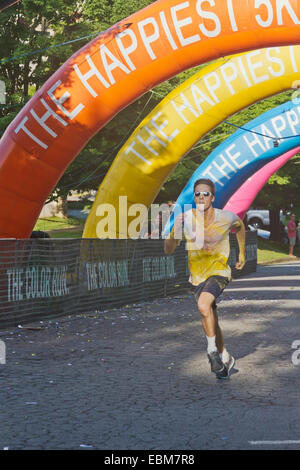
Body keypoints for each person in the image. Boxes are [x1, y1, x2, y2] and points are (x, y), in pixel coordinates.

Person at [164, 178, 246, 380]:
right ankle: (225, 356)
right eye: (197, 194)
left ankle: (211, 352)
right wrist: (173, 233)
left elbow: (240, 226)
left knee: (203, 305)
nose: (201, 197)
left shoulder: (225, 217)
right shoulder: (185, 219)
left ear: (213, 197)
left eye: (205, 194)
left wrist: (242, 253)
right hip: (197, 276)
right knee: (211, 316)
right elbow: (168, 250)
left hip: (219, 272)